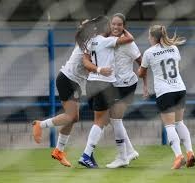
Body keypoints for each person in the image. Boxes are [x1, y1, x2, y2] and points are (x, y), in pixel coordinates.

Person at [32, 20, 111, 167]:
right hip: (68, 79)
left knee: (73, 119)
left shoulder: (88, 40)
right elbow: (88, 65)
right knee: (71, 116)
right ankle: (40, 125)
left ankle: (58, 151)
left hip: (74, 82)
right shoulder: (89, 42)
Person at [75, 15, 134, 168]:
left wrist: (98, 69)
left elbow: (85, 62)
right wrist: (122, 28)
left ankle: (126, 152)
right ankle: (87, 155)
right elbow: (129, 38)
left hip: (91, 83)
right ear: (105, 27)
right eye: (110, 25)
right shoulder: (106, 41)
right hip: (105, 84)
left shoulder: (90, 41)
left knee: (105, 120)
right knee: (103, 121)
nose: (112, 27)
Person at [138, 25, 195, 169]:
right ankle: (190, 152)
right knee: (180, 123)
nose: (148, 39)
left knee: (169, 126)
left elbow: (141, 72)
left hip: (165, 91)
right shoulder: (174, 48)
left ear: (153, 37)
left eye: (149, 36)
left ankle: (179, 156)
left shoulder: (149, 52)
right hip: (180, 88)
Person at [105, 13, 148, 169]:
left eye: (119, 24)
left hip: (127, 85)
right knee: (114, 120)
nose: (116, 27)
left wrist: (145, 84)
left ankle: (123, 157)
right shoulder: (108, 41)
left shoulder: (129, 44)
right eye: (113, 24)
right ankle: (130, 151)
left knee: (115, 119)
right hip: (114, 85)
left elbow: (142, 63)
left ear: (124, 26)